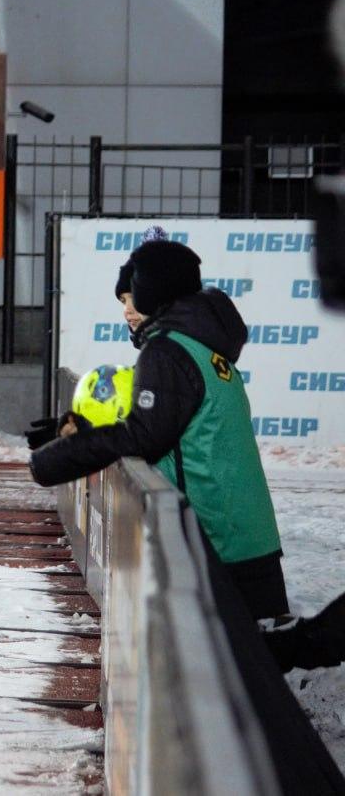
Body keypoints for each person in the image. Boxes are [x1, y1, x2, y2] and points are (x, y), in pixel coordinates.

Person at [30, 239, 345, 671]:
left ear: (154, 291)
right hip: (246, 534)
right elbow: (170, 427)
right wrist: (80, 431)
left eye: (129, 296)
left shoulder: (168, 350)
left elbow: (143, 437)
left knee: (243, 675)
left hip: (218, 538)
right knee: (260, 670)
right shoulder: (203, 345)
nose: (125, 309)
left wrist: (53, 460)